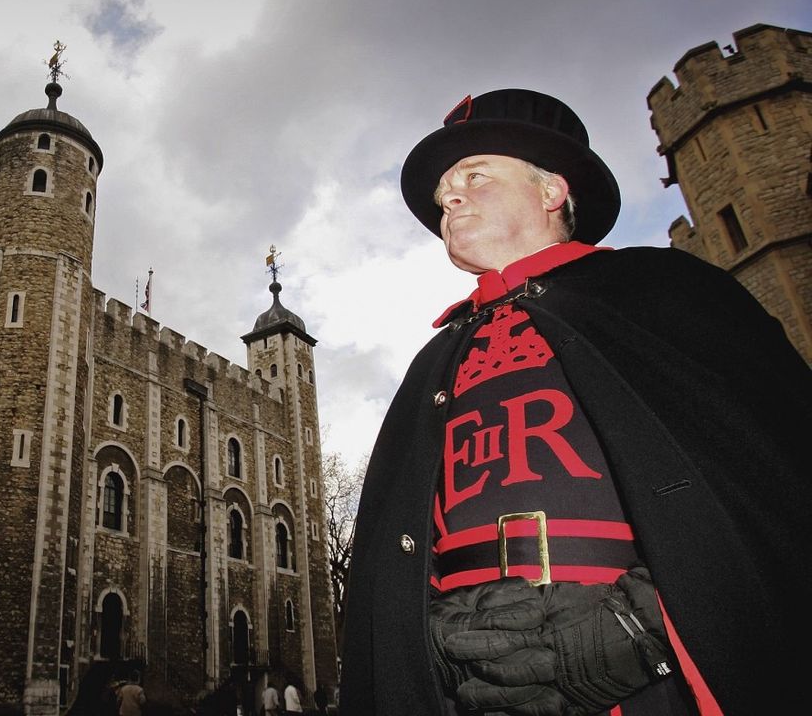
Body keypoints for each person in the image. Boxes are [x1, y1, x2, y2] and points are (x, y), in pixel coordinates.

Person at [339, 88, 812, 715]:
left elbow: (778, 473)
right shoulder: (435, 360)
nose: (448, 198)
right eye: (442, 193)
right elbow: (398, 540)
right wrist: (416, 642)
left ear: (551, 190)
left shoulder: (668, 293)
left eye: (473, 177)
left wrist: (650, 622)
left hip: (658, 677)